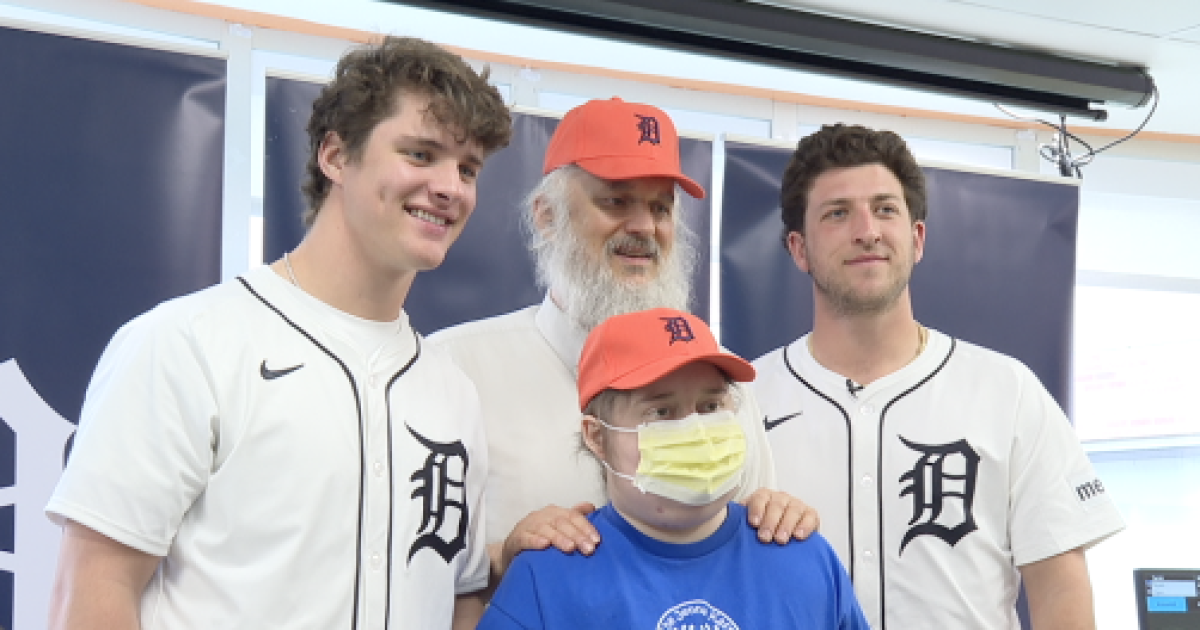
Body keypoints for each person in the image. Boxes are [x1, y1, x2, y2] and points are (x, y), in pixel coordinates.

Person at [45, 37, 512, 629]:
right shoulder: (187, 343)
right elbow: (89, 594)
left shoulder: (452, 391)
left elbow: (457, 602)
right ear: (336, 157)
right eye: (421, 155)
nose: (452, 188)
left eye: (468, 168)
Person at [751, 123, 1125, 629]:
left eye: (885, 209)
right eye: (838, 214)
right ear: (798, 249)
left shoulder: (1007, 391)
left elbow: (1060, 587)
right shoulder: (742, 400)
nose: (868, 230)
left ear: (917, 237)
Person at [426, 97, 816, 574]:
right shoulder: (454, 370)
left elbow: (749, 560)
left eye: (660, 207)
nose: (643, 227)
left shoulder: (725, 385)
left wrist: (780, 521)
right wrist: (505, 559)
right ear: (548, 215)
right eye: (615, 201)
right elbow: (417, 574)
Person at [478, 307, 868, 629]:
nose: (696, 430)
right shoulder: (547, 578)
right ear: (597, 437)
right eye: (661, 412)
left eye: (711, 406)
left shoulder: (803, 557)